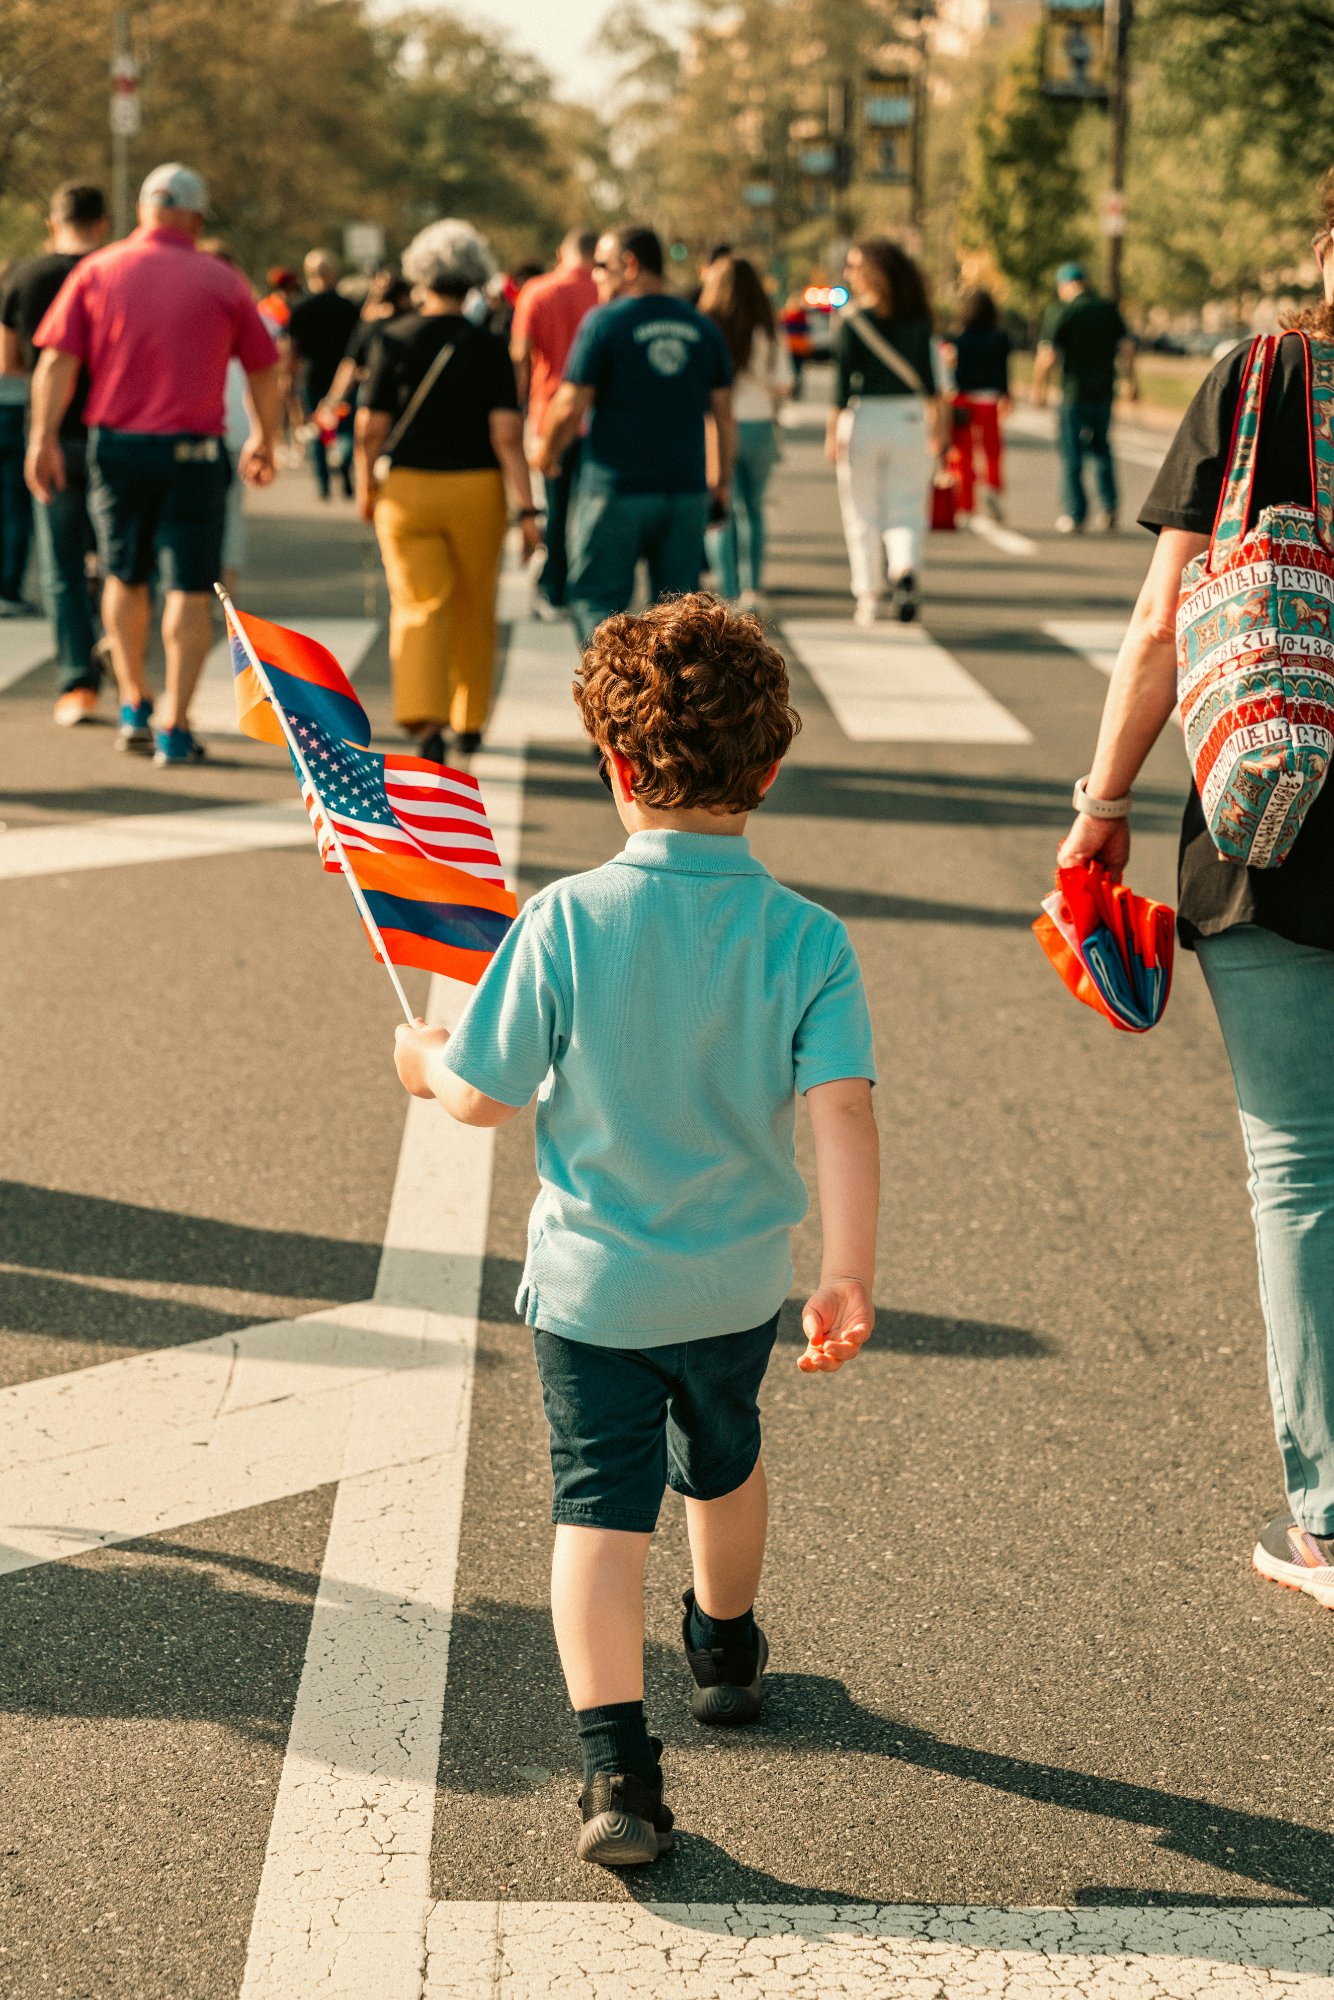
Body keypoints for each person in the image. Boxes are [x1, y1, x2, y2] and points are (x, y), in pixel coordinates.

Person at [392, 593, 879, 1866]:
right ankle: (723, 1644)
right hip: (731, 1288)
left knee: (595, 1517)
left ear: (612, 765)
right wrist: (843, 1271)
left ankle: (618, 1772)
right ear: (767, 769)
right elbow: (842, 1116)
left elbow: (484, 1097)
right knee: (722, 1461)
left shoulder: (560, 920)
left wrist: (422, 1058)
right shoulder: (809, 941)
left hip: (592, 1293)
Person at [1057, 170, 1334, 1613]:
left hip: (1274, 821)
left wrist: (1101, 804)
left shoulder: (1266, 378)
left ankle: (1332, 1522)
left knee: (1300, 1171)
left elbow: (1163, 622)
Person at [25, 163, 281, 767]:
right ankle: (175, 722)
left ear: (142, 211)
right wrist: (266, 438)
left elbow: (57, 364)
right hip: (193, 453)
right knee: (189, 589)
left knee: (123, 574)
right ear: (195, 217)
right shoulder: (222, 280)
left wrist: (42, 438)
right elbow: (265, 369)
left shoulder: (98, 269)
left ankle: (134, 700)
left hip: (116, 450)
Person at [354, 218, 540, 759]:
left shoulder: (392, 338)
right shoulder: (489, 347)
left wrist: (367, 485)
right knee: (475, 603)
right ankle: (470, 717)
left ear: (420, 275)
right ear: (474, 278)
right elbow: (506, 436)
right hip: (477, 488)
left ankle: (424, 721)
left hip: (408, 489)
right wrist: (528, 509)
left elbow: (370, 428)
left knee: (417, 603)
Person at [539, 225, 736, 647]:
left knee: (598, 601)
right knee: (679, 617)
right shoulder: (700, 326)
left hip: (615, 489)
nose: (595, 278)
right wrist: (721, 483)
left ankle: (610, 699)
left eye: (601, 267)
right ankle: (670, 706)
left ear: (629, 265)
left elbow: (571, 401)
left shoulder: (605, 321)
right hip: (683, 490)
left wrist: (547, 451)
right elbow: (723, 416)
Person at [0, 183, 110, 705]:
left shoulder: (24, 275)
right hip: (115, 433)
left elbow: (8, 363)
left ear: (52, 223)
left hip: (53, 436)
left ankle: (77, 678)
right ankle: (114, 634)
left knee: (60, 565)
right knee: (119, 558)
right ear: (104, 224)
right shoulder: (115, 273)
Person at [826, 235, 948, 627]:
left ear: (876, 271)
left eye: (856, 266)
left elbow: (841, 388)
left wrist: (832, 434)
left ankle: (869, 595)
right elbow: (933, 384)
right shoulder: (919, 320)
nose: (850, 274)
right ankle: (904, 567)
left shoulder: (853, 321)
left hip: (865, 419)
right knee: (907, 505)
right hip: (911, 418)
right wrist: (939, 429)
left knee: (861, 510)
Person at [510, 228, 598, 615]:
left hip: (549, 415)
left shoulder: (537, 291)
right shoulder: (604, 292)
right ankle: (588, 585)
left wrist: (517, 407)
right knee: (593, 508)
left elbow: (520, 355)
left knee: (556, 509)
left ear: (563, 252)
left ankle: (555, 587)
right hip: (597, 417)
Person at [698, 254, 792, 610]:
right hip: (761, 424)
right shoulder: (767, 328)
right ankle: (754, 588)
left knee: (721, 507)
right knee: (753, 508)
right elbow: (784, 382)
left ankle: (728, 589)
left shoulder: (709, 326)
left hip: (719, 427)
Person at [1032, 261, 1136, 534]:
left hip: (1072, 392)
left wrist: (1039, 388)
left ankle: (1075, 513)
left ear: (1064, 285)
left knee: (1072, 452)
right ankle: (1109, 507)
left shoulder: (1062, 310)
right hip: (1103, 392)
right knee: (1102, 449)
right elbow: (1126, 347)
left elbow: (1048, 354)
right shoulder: (1106, 308)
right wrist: (1131, 382)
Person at [286, 250, 359, 501]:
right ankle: (343, 459)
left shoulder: (301, 307)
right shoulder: (348, 307)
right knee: (346, 427)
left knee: (317, 429)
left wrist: (289, 376)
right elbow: (358, 346)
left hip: (311, 374)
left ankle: (324, 483)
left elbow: (292, 348)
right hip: (343, 374)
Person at [315, 269, 413, 434]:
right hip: (406, 392)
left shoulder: (369, 325)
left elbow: (350, 366)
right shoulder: (412, 325)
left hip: (372, 391)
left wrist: (332, 400)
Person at [949, 287, 1012, 523]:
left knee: (964, 454)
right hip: (990, 400)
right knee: (992, 450)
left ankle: (966, 505)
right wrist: (1006, 395)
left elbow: (953, 373)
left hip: (964, 400)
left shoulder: (960, 340)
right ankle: (993, 487)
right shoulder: (1000, 339)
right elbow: (1004, 371)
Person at [0, 256, 35, 620]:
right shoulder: (15, 300)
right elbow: (10, 362)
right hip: (13, 409)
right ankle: (7, 588)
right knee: (14, 507)